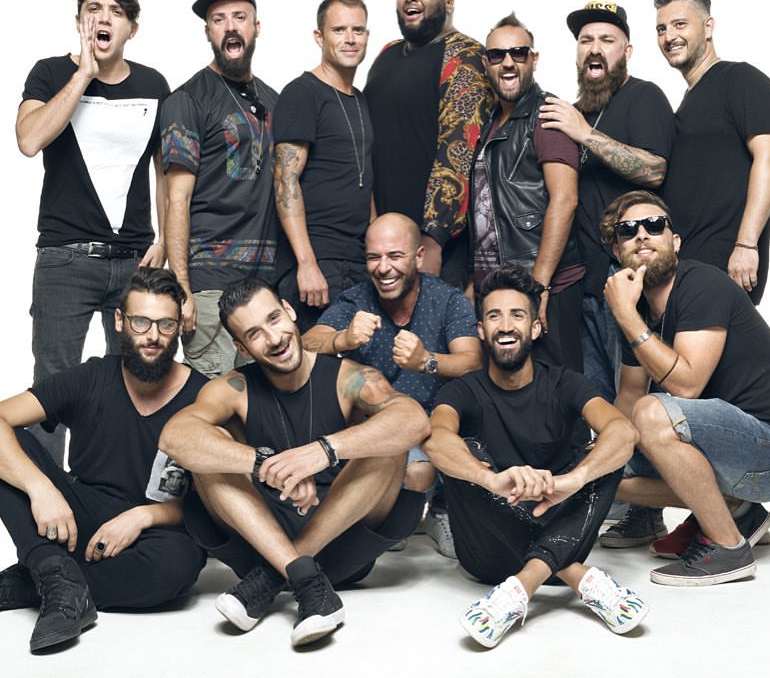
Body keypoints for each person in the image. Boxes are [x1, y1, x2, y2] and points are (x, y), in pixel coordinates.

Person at [158, 277, 429, 647]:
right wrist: (265, 464)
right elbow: (175, 437)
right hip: (260, 540)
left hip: (341, 544)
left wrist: (322, 451)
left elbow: (413, 421)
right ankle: (300, 573)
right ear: (241, 347)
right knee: (207, 447)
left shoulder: (348, 378)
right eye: (254, 334)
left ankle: (281, 573)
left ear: (289, 311)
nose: (273, 338)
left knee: (389, 439)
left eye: (274, 319)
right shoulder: (234, 387)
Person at [424, 264, 648, 648]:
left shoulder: (565, 383)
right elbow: (436, 440)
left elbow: (623, 433)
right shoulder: (462, 391)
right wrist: (492, 480)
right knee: (463, 451)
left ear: (535, 327)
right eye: (494, 316)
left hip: (560, 526)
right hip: (487, 553)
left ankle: (520, 589)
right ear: (481, 331)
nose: (505, 326)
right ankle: (579, 576)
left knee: (605, 454)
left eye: (517, 315)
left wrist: (570, 482)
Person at [0, 268, 207, 653]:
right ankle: (54, 574)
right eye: (141, 321)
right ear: (119, 321)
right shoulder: (91, 377)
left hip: (156, 530)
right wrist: (41, 488)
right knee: (11, 444)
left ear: (180, 327)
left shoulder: (204, 396)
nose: (153, 336)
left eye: (165, 324)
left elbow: (211, 505)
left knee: (178, 565)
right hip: (78, 518)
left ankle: (42, 581)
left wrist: (143, 516)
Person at [602, 190, 770, 586]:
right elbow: (628, 396)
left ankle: (728, 547)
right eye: (628, 230)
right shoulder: (637, 311)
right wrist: (597, 456)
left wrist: (625, 316)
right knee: (606, 466)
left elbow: (686, 385)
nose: (642, 235)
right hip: (727, 448)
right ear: (617, 251)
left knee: (652, 413)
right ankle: (738, 512)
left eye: (654, 225)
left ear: (674, 241)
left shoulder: (701, 284)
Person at [16, 0, 169, 465]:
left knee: (137, 380)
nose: (104, 17)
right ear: (80, 19)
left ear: (132, 29)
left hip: (135, 261)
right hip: (66, 260)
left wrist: (166, 240)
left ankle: (113, 486)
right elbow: (29, 139)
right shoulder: (49, 73)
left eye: (116, 11)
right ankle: (44, 496)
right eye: (94, 8)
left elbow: (165, 173)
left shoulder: (153, 84)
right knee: (53, 387)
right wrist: (82, 74)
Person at [303, 213, 481, 556]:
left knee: (421, 471)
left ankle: (435, 510)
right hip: (376, 430)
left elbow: (473, 363)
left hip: (433, 427)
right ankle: (392, 512)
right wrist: (342, 339)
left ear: (418, 257)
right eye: (374, 257)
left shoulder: (447, 299)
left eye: (395, 256)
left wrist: (427, 361)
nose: (383, 268)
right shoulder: (356, 300)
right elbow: (306, 344)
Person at [538, 0, 674, 404]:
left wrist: (584, 134)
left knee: (635, 396)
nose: (594, 49)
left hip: (630, 274)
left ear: (626, 51)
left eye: (607, 40)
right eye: (586, 41)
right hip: (584, 280)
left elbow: (654, 170)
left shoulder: (644, 96)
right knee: (594, 401)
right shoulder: (576, 112)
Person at [161, 0, 279, 378]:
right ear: (208, 32)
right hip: (209, 285)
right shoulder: (187, 99)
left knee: (266, 402)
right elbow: (176, 199)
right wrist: (182, 288)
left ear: (256, 27)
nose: (230, 27)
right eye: (218, 19)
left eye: (239, 17)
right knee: (213, 399)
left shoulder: (275, 100)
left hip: (265, 286)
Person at [364, 0, 493, 288]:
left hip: (435, 245)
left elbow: (460, 149)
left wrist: (433, 238)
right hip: (382, 241)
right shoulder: (387, 54)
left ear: (448, 3)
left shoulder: (465, 55)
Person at [654, 0, 770, 305]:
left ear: (708, 27)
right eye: (661, 29)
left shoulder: (741, 80)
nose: (669, 36)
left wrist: (746, 245)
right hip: (685, 271)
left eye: (680, 24)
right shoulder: (686, 103)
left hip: (724, 267)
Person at [470, 12, 584, 372]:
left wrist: (539, 287)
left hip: (543, 287)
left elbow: (565, 200)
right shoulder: (491, 121)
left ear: (534, 60)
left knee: (558, 390)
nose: (507, 62)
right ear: (486, 65)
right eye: (496, 55)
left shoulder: (546, 115)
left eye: (518, 53)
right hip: (501, 291)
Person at [273, 0, 374, 331]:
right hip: (318, 260)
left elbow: (364, 178)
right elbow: (285, 181)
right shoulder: (303, 92)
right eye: (339, 30)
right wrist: (306, 263)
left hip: (357, 261)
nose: (350, 39)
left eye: (357, 30)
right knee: (315, 359)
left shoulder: (360, 100)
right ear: (320, 37)